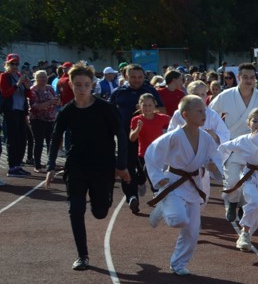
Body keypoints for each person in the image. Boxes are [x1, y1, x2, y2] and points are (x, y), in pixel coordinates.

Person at [44, 64, 129, 270]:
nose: (82, 88)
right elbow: (55, 139)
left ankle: (102, 200)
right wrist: (50, 167)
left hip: (102, 166)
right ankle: (82, 256)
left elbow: (121, 136)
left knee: (100, 212)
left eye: (86, 84)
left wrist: (121, 164)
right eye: (78, 85)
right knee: (75, 209)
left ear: (93, 86)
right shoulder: (67, 111)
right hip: (76, 166)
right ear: (71, 86)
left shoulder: (105, 108)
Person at [144, 95, 224, 276]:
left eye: (204, 110)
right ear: (186, 114)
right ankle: (162, 209)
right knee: (178, 219)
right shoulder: (173, 137)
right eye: (199, 111)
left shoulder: (206, 138)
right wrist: (157, 177)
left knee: (193, 230)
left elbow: (215, 158)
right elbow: (151, 154)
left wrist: (213, 167)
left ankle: (178, 263)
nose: (204, 114)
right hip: (173, 183)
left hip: (194, 184)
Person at [208, 62, 258, 221]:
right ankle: (232, 202)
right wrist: (216, 134)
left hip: (254, 147)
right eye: (245, 77)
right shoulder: (226, 96)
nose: (249, 80)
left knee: (250, 181)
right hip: (233, 145)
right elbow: (210, 115)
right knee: (232, 179)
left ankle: (244, 205)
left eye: (252, 77)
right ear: (238, 77)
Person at [218, 108, 258, 251]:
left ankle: (246, 236)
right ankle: (245, 232)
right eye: (255, 121)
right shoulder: (243, 139)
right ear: (248, 124)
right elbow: (224, 147)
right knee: (255, 202)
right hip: (249, 176)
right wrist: (215, 162)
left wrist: (257, 138)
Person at [110, 64, 163, 214]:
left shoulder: (150, 91)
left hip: (146, 139)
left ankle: (144, 183)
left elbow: (162, 110)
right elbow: (109, 113)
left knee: (144, 168)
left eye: (140, 77)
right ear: (126, 76)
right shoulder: (118, 93)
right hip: (124, 137)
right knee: (127, 166)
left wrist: (149, 113)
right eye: (133, 77)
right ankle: (132, 196)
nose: (137, 80)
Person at [129, 93, 171, 196]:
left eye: (150, 105)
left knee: (156, 175)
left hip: (160, 153)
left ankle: (156, 194)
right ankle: (144, 184)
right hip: (144, 154)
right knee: (147, 174)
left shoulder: (162, 118)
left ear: (154, 105)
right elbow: (132, 138)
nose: (147, 108)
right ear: (139, 106)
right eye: (144, 105)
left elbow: (176, 124)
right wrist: (138, 129)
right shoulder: (136, 120)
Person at [1, 54, 32, 177]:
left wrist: (28, 86)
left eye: (16, 64)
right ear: (7, 64)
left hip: (21, 111)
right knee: (12, 139)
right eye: (11, 64)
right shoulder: (4, 76)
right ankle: (12, 166)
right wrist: (17, 84)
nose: (14, 66)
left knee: (22, 139)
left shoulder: (19, 76)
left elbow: (29, 95)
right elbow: (5, 94)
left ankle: (18, 164)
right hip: (11, 111)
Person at [28, 69, 59, 173]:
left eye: (45, 77)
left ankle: (51, 164)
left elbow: (56, 101)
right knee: (39, 142)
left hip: (50, 119)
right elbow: (35, 107)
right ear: (36, 78)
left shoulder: (49, 88)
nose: (44, 79)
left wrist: (57, 101)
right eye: (41, 77)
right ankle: (37, 165)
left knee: (51, 142)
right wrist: (50, 102)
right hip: (37, 119)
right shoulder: (33, 90)